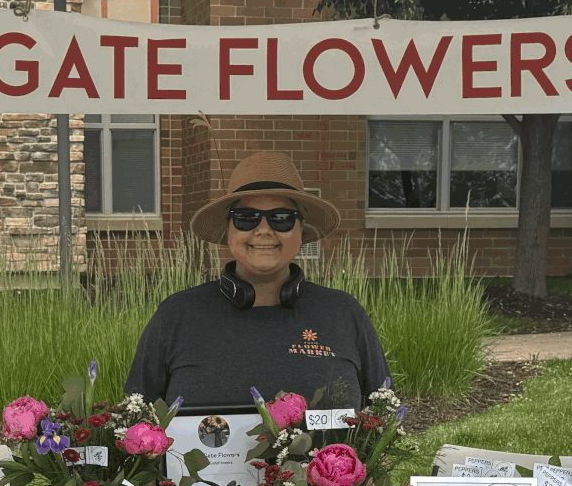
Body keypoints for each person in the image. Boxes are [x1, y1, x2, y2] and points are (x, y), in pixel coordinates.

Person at [124, 151, 391, 412]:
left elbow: (382, 419)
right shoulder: (177, 315)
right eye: (246, 218)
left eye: (281, 218)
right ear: (228, 229)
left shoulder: (343, 313)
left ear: (302, 230)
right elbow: (136, 421)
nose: (263, 229)